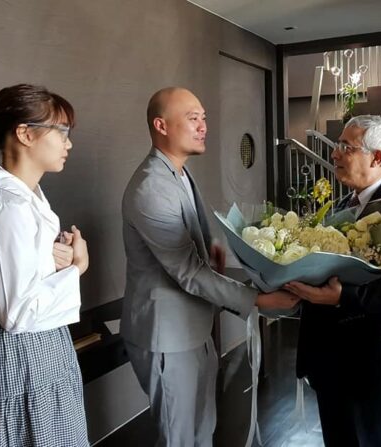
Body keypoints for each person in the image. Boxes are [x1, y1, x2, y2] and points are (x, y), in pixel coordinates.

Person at [121, 86, 299, 447]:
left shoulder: (180, 174)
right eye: (192, 118)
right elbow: (188, 272)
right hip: (167, 334)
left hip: (195, 327)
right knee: (181, 437)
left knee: (203, 429)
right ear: (161, 125)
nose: (203, 126)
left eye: (204, 118)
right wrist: (260, 301)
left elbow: (195, 254)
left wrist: (214, 252)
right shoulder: (151, 187)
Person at [285, 115, 381, 447]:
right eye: (337, 146)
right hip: (334, 366)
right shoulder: (341, 208)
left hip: (377, 368)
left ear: (377, 157)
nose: (335, 154)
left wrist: (343, 297)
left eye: (345, 147)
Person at [0, 84, 90, 446]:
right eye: (62, 132)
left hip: (43, 349)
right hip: (20, 356)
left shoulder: (25, 199)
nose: (68, 143)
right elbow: (16, 313)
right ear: (25, 133)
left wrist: (55, 262)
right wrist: (76, 267)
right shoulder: (4, 207)